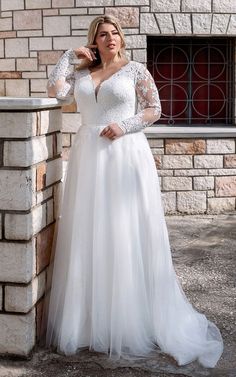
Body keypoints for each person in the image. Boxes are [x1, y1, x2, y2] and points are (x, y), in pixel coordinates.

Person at [41, 14, 223, 368]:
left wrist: (124, 125)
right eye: (103, 35)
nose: (110, 39)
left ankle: (129, 318)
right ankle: (88, 322)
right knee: (89, 233)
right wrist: (67, 56)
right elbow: (56, 93)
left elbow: (155, 109)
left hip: (124, 154)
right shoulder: (81, 73)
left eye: (115, 33)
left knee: (123, 232)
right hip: (88, 158)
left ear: (122, 39)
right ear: (94, 42)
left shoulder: (136, 70)